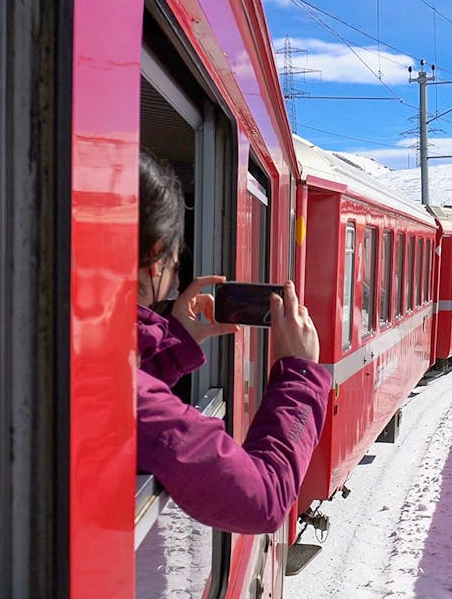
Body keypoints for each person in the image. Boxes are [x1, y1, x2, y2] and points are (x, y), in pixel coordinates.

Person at [136, 150, 331, 533]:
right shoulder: (125, 397)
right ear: (155, 259)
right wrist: (301, 375)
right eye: (176, 267)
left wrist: (173, 344)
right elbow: (264, 499)